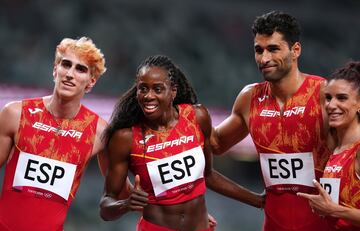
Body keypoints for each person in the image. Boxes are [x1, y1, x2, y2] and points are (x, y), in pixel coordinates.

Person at [99, 55, 264, 231]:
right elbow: (105, 207)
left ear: (173, 91)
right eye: (143, 89)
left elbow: (208, 176)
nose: (149, 96)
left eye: (157, 89)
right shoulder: (126, 138)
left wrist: (259, 200)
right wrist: (126, 204)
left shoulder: (197, 117)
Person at [210, 11, 333, 230]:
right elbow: (216, 144)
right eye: (259, 50)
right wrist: (182, 114)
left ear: (296, 50)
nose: (264, 59)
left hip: (326, 225)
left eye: (273, 49)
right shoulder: (250, 98)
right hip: (274, 224)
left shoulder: (325, 95)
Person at [0, 37, 110, 231]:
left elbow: (119, 190)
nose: (70, 74)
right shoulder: (15, 114)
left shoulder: (99, 132)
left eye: (80, 69)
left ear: (91, 82)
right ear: (55, 70)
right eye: (66, 64)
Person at [298, 61, 360, 230]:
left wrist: (334, 210)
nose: (331, 105)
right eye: (328, 98)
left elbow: (334, 210)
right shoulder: (336, 148)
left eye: (341, 98)